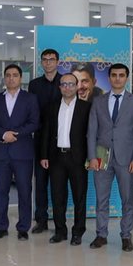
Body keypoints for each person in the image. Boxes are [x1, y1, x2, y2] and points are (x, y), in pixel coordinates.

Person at [87, 63, 133, 252]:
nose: (117, 78)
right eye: (114, 75)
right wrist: (92, 156)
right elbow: (92, 131)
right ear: (109, 77)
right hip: (101, 158)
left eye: (121, 75)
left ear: (126, 78)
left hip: (127, 159)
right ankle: (101, 234)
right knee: (101, 198)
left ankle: (126, 236)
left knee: (127, 199)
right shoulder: (98, 101)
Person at [0, 64, 39, 240]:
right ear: (4, 78)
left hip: (22, 152)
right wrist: (3, 134)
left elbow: (34, 122)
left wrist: (14, 134)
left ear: (20, 78)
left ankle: (23, 228)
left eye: (15, 75)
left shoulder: (30, 99)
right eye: (8, 75)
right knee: (0, 192)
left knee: (24, 191)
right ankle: (1, 227)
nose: (11, 78)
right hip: (1, 152)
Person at [40, 73, 91, 245]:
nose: (67, 87)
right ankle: (60, 231)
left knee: (79, 197)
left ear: (77, 87)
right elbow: (46, 132)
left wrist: (91, 158)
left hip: (78, 159)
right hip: (56, 158)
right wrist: (44, 155)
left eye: (71, 84)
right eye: (64, 84)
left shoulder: (86, 107)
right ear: (60, 87)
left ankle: (78, 232)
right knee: (57, 196)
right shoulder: (52, 107)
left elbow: (91, 134)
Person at [28, 48, 62, 234]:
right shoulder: (34, 85)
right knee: (40, 183)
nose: (48, 62)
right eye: (45, 59)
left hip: (61, 139)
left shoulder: (66, 82)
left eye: (51, 59)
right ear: (41, 62)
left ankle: (59, 222)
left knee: (58, 184)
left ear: (58, 62)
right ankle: (41, 220)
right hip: (40, 139)